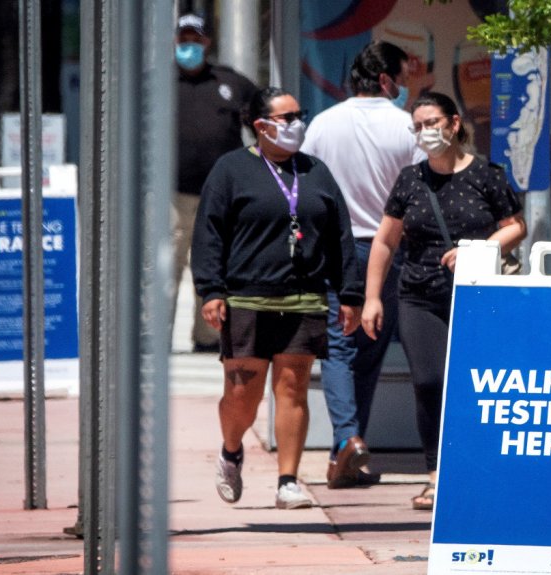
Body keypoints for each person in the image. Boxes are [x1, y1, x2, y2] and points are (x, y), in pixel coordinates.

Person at [191, 87, 363, 509]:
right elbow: (209, 233)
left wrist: (350, 293)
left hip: (304, 297)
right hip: (247, 297)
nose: (296, 124)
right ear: (260, 126)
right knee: (242, 393)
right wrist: (211, 290)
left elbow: (340, 234)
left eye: (298, 115)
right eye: (286, 118)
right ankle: (232, 450)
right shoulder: (231, 170)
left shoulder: (316, 172)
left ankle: (288, 480)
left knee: (293, 387)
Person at [361, 92, 526, 510]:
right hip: (420, 295)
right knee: (430, 383)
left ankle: (479, 469)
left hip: (479, 296)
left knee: (478, 386)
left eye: (432, 123)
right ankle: (434, 475)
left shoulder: (487, 175)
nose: (425, 132)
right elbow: (385, 240)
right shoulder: (410, 180)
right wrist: (371, 298)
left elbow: (516, 227)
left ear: (454, 124)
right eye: (417, 126)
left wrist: (480, 249)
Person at [302, 40, 426, 489]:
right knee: (370, 348)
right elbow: (418, 195)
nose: (406, 89)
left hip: (333, 248)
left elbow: (305, 186)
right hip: (388, 249)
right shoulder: (406, 128)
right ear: (386, 80)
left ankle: (347, 442)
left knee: (339, 345)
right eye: (402, 80)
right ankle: (350, 441)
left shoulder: (322, 124)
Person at [173, 13, 259, 353]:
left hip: (221, 197)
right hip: (171, 196)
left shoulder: (232, 83)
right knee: (164, 271)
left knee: (212, 267)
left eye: (196, 39)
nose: (189, 45)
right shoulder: (157, 82)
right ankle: (153, 341)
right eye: (184, 39)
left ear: (207, 42)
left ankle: (207, 337)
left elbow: (260, 124)